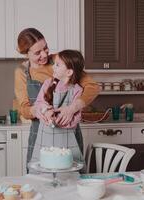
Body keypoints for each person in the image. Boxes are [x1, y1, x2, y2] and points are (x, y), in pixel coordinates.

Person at [14, 28, 100, 165]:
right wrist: (38, 110)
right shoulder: (22, 72)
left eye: (46, 48)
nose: (44, 54)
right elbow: (24, 108)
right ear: (26, 54)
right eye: (37, 53)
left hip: (69, 132)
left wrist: (72, 108)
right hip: (40, 134)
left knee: (72, 174)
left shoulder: (60, 60)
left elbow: (93, 87)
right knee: (39, 176)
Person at [31, 49, 86, 164]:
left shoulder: (77, 90)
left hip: (67, 144)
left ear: (69, 72)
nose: (53, 67)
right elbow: (39, 103)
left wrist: (56, 119)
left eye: (57, 65)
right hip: (45, 140)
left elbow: (76, 118)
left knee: (68, 174)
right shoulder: (48, 83)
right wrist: (45, 111)